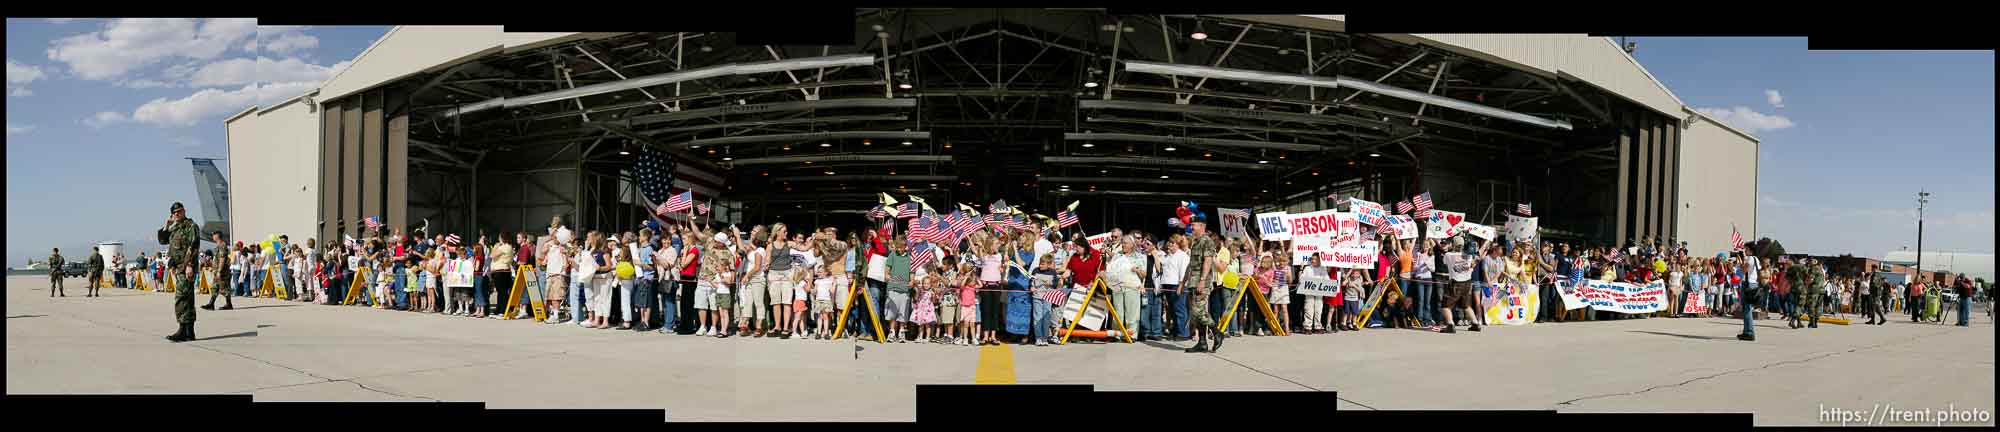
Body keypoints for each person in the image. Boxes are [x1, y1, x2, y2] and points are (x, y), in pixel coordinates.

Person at [159, 202, 201, 342]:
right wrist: (166, 225)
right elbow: (163, 240)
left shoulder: (190, 226)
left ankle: (182, 330)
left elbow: (193, 245)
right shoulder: (175, 227)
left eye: (179, 211)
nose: (177, 214)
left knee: (181, 298)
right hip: (178, 268)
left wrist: (189, 265)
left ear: (184, 211)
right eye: (175, 212)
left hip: (186, 267)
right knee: (187, 299)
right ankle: (189, 332)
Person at [1181, 222, 1221, 353]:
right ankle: (1202, 343)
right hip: (1193, 281)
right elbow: (1191, 265)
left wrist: (1202, 280)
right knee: (1195, 313)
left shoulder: (1207, 241)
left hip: (1202, 281)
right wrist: (1183, 282)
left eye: (1194, 225)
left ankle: (1217, 332)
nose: (1191, 227)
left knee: (1198, 311)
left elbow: (1208, 261)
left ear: (1202, 226)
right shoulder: (1195, 242)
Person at [881, 237, 914, 342]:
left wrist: (912, 281)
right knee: (892, 311)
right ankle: (892, 332)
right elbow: (887, 268)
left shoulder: (910, 257)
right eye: (898, 247)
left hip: (904, 289)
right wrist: (886, 275)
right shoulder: (892, 255)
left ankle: (901, 332)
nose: (899, 249)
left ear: (906, 246)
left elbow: (912, 271)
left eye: (901, 247)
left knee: (903, 312)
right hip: (893, 287)